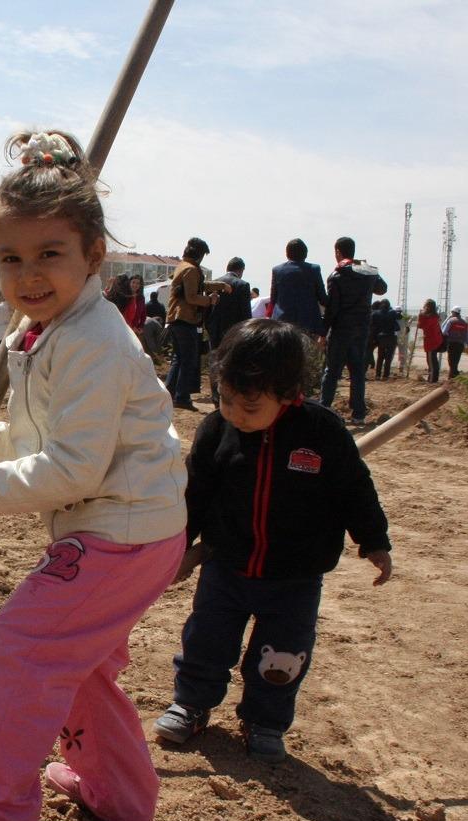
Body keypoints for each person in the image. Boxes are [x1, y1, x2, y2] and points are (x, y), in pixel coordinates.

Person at [0, 130, 188, 821]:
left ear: (94, 255)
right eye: (11, 258)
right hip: (130, 525)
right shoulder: (49, 330)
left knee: (20, 650)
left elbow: (75, 467)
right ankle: (120, 795)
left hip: (119, 530)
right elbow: (60, 434)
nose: (29, 275)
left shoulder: (90, 341)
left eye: (50, 254)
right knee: (77, 668)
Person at [154, 319, 392, 762]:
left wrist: (374, 540)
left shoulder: (322, 433)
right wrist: (179, 547)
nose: (233, 414)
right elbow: (195, 494)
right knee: (206, 640)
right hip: (226, 565)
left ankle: (264, 721)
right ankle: (191, 704)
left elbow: (355, 490)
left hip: (295, 576)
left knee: (282, 656)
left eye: (248, 405)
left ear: (288, 393)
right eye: (225, 398)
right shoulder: (216, 430)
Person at [319, 236, 387, 425]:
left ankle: (324, 409)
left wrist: (323, 331)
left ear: (338, 252)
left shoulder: (336, 275)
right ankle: (358, 414)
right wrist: (366, 267)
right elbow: (382, 289)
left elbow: (332, 308)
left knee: (332, 371)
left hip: (341, 329)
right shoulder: (366, 271)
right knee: (357, 372)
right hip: (361, 329)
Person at [165, 237, 216, 410]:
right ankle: (182, 397)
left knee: (178, 359)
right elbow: (192, 297)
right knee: (188, 360)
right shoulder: (192, 270)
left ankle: (169, 393)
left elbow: (195, 287)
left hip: (175, 319)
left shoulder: (182, 266)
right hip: (185, 319)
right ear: (200, 255)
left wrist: (220, 285)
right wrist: (209, 300)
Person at [205, 257, 252, 404]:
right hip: (234, 330)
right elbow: (245, 312)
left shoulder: (215, 283)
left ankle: (215, 396)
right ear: (241, 270)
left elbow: (207, 307)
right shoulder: (243, 285)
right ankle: (229, 395)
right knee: (232, 362)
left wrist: (208, 325)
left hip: (215, 328)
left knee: (215, 360)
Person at [268, 238, 326, 337]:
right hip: (308, 324)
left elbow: (273, 299)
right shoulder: (314, 269)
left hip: (282, 323)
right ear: (305, 254)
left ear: (287, 254)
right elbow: (322, 297)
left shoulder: (277, 270)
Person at [370, 298, 401, 380]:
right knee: (388, 358)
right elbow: (400, 316)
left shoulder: (376, 313)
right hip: (391, 337)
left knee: (380, 357)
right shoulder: (392, 312)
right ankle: (385, 375)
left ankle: (378, 375)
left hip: (381, 337)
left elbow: (372, 322)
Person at [417, 299, 443, 383]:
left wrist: (421, 315)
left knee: (431, 361)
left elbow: (420, 325)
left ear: (428, 307)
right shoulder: (434, 316)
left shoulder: (430, 317)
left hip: (432, 341)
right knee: (432, 360)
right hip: (434, 340)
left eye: (425, 305)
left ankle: (432, 379)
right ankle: (432, 378)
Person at [440, 307, 468, 379]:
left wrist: (447, 319)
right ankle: (454, 374)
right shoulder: (464, 322)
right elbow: (466, 335)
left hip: (451, 343)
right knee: (456, 360)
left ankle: (452, 375)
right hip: (460, 344)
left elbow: (443, 331)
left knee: (451, 360)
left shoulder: (451, 321)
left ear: (453, 312)